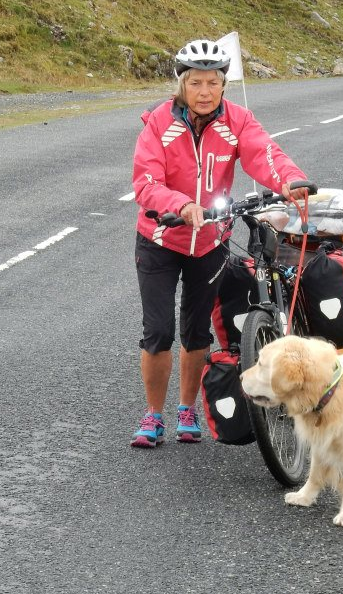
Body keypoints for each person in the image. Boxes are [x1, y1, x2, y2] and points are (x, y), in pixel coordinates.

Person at [130, 38, 309, 448]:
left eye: (213, 82)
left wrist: (290, 180)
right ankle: (153, 415)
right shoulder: (159, 123)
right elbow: (146, 182)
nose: (205, 91)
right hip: (160, 239)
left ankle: (186, 411)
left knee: (196, 332)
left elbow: (265, 153)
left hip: (211, 241)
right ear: (182, 84)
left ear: (224, 85)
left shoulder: (238, 120)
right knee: (157, 331)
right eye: (196, 83)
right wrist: (181, 205)